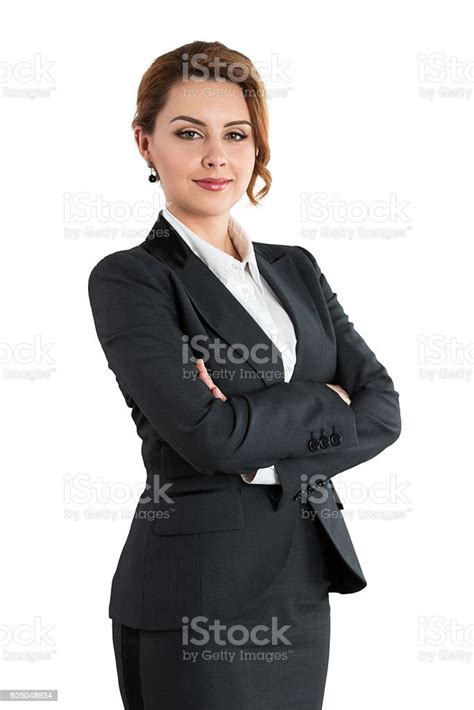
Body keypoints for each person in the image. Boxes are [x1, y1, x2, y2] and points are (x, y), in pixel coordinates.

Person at [88, 40, 401, 710]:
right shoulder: (132, 279)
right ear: (145, 143)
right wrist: (325, 397)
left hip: (302, 580)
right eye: (188, 133)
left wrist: (261, 441)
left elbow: (381, 413)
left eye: (235, 134)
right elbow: (209, 440)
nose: (215, 156)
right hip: (193, 597)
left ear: (256, 147)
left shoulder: (298, 269)